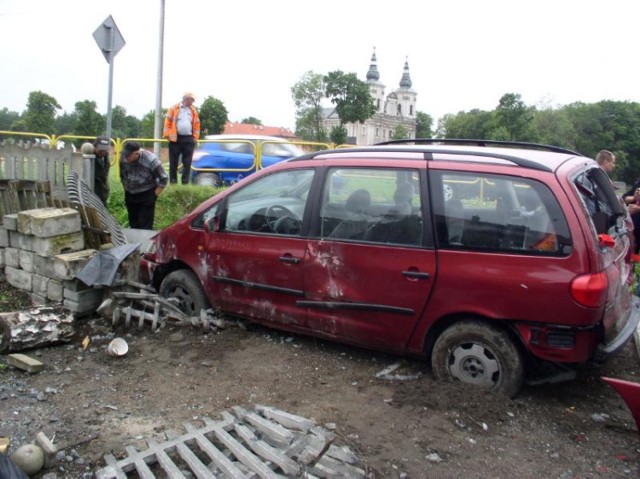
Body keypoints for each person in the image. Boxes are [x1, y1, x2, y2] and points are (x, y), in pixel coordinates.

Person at [119, 142, 168, 230]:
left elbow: (163, 179)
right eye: (125, 155)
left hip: (147, 194)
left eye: (128, 156)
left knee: (145, 226)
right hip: (130, 194)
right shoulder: (123, 158)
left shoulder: (151, 160)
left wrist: (153, 196)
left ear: (136, 153)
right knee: (133, 224)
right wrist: (126, 190)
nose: (126, 158)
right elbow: (122, 176)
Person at [163, 92, 201, 184]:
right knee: (173, 162)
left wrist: (195, 138)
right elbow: (167, 122)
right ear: (186, 99)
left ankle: (185, 183)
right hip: (175, 139)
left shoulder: (193, 110)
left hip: (188, 139)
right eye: (192, 99)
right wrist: (167, 135)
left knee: (187, 163)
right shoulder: (174, 108)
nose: (193, 101)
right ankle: (173, 182)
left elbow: (196, 124)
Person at [93, 135, 111, 207]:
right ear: (95, 147)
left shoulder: (106, 157)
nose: (103, 152)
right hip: (92, 191)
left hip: (103, 191)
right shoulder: (89, 157)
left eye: (105, 150)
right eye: (101, 149)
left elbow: (105, 175)